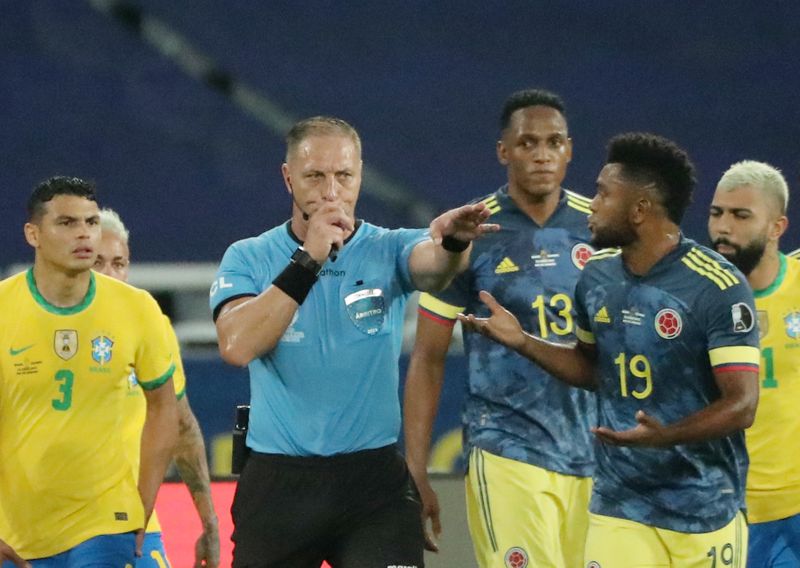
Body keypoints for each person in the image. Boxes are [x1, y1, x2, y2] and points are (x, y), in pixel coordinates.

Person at [209, 115, 499, 567]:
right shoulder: (248, 256)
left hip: (372, 486)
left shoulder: (389, 247)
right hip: (279, 484)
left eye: (344, 175)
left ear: (360, 176)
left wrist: (454, 243)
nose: (331, 191)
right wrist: (309, 260)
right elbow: (238, 346)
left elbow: (434, 267)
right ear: (288, 178)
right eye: (314, 176)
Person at [460, 133, 760, 566]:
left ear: (639, 210)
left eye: (603, 193)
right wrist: (523, 341)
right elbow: (590, 367)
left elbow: (742, 404)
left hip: (704, 507)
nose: (593, 204)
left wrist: (665, 437)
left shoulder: (717, 287)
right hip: (621, 503)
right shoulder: (597, 277)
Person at [403, 88, 595, 568]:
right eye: (528, 143)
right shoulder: (469, 233)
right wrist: (416, 468)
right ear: (503, 152)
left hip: (599, 454)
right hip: (508, 446)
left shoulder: (602, 228)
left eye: (554, 143)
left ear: (570, 150)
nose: (542, 155)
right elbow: (427, 357)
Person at [0, 177, 178, 565]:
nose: (84, 234)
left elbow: (166, 408)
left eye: (91, 222)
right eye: (67, 223)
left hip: (110, 521)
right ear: (33, 234)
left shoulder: (137, 308)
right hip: (20, 533)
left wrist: (142, 505)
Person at [94, 208, 220, 567]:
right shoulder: (46, 330)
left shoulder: (150, 327)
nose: (110, 274)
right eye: (98, 262)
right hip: (49, 525)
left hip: (133, 522)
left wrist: (209, 522)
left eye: (119, 263)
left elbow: (182, 425)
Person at [708, 160, 800, 567]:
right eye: (717, 213)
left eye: (741, 215)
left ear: (777, 227)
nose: (723, 227)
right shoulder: (695, 298)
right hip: (727, 508)